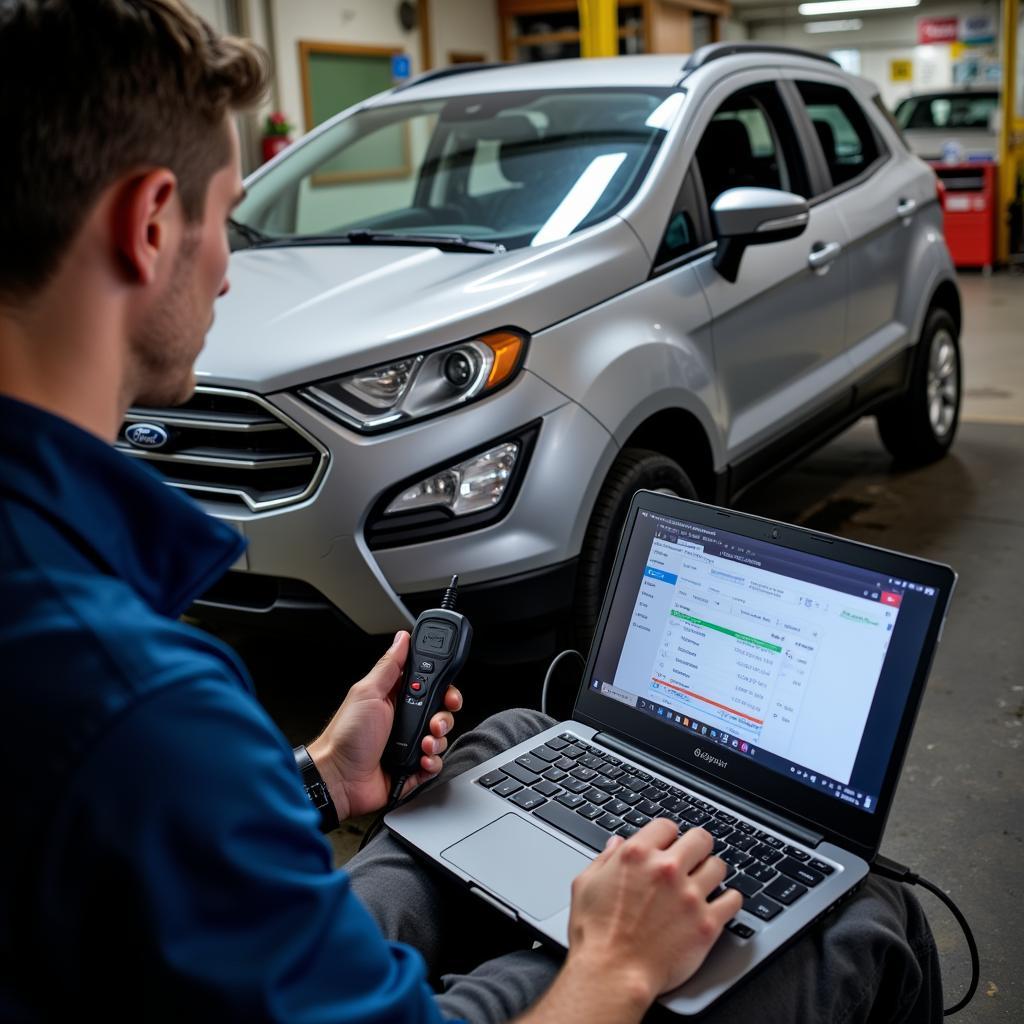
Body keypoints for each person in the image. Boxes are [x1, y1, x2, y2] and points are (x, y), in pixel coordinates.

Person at [0, 2, 943, 1021]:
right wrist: (611, 964)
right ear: (146, 226)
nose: (231, 265)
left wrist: (315, 778)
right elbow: (142, 765)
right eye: (224, 215)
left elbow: (127, 833)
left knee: (512, 738)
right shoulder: (143, 701)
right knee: (869, 923)